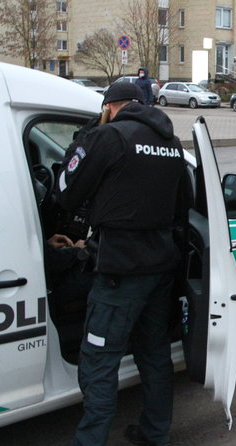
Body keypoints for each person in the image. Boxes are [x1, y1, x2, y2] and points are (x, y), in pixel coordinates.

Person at [57, 82, 190, 446]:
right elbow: (184, 206)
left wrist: (87, 135)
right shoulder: (171, 143)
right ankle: (154, 434)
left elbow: (67, 191)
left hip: (119, 272)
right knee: (154, 354)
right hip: (159, 268)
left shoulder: (109, 137)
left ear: (110, 107)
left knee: (99, 361)